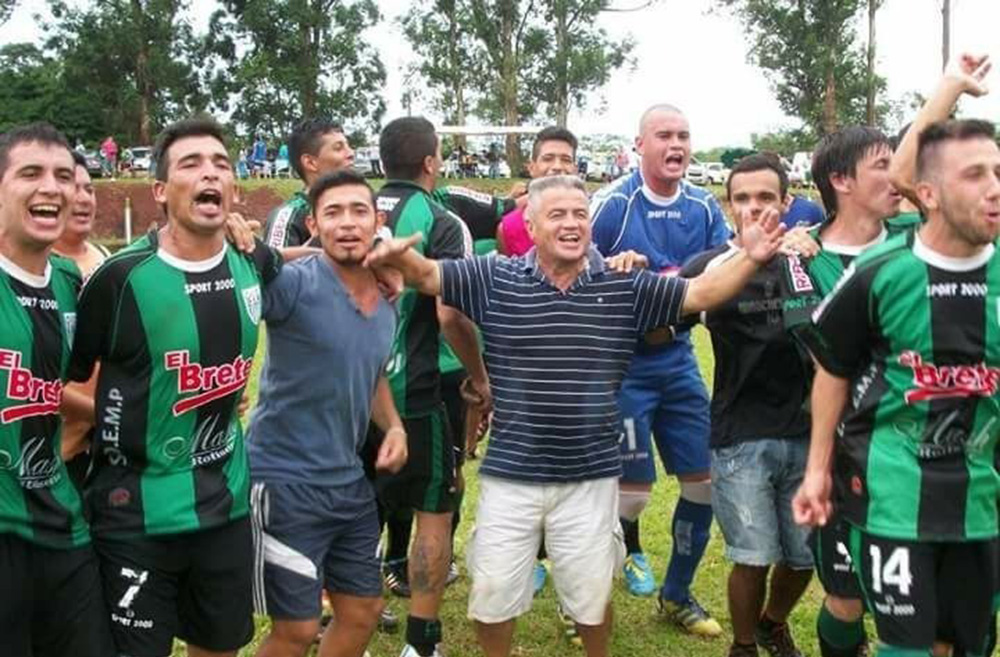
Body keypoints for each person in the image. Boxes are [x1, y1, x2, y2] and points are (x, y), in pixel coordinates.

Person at [364, 173, 785, 657]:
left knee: (590, 596)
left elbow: (702, 293)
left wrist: (749, 255)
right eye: (557, 214)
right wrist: (395, 251)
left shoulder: (625, 286)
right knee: (494, 596)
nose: (571, 224)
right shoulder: (495, 276)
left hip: (591, 475)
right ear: (532, 223)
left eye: (579, 214)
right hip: (511, 475)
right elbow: (428, 277)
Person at [68, 116, 285, 657]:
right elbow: (66, 379)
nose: (209, 173)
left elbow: (299, 266)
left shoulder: (251, 259)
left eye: (221, 164)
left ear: (233, 189)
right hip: (132, 514)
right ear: (161, 191)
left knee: (219, 647)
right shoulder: (119, 279)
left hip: (225, 507)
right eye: (191, 164)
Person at [793, 118, 1000, 657]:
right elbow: (832, 367)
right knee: (898, 641)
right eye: (974, 175)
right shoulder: (879, 273)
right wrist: (817, 470)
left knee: (967, 645)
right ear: (925, 192)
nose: (994, 188)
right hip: (891, 495)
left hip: (981, 501)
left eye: (998, 172)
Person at [247, 170, 408, 657]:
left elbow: (372, 372)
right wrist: (293, 253)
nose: (346, 223)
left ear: (377, 220)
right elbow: (244, 280)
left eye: (358, 211)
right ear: (314, 224)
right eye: (332, 213)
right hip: (283, 481)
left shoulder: (387, 302)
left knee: (362, 610)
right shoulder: (293, 285)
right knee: (295, 630)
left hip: (347, 483)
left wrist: (394, 425)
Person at [590, 103, 731, 635]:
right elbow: (577, 269)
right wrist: (615, 271)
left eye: (684, 137)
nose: (676, 146)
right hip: (625, 364)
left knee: (704, 485)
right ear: (640, 145)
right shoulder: (613, 204)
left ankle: (677, 593)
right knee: (633, 494)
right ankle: (582, 576)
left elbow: (722, 263)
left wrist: (670, 275)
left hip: (679, 359)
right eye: (665, 136)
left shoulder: (702, 206)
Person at [779, 125, 908, 657]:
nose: (897, 175)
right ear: (840, 180)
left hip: (924, 447)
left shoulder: (920, 238)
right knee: (845, 594)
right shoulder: (802, 258)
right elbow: (825, 351)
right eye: (883, 165)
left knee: (924, 602)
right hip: (846, 450)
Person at [681, 154, 814, 657]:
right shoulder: (710, 266)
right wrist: (633, 267)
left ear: (786, 201)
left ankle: (771, 623)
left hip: (807, 431)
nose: (754, 207)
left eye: (765, 197)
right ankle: (742, 646)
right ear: (728, 205)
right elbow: (659, 322)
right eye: (742, 198)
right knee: (753, 555)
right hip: (740, 433)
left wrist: (815, 250)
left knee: (804, 557)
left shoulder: (807, 258)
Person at [374, 116, 489, 657]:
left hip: (348, 396)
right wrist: (480, 376)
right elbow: (450, 313)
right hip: (413, 393)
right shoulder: (441, 221)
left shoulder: (345, 211)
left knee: (351, 511)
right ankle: (421, 641)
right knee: (434, 511)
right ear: (430, 162)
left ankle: (339, 620)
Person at [0, 122, 116, 657]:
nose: (52, 187)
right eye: (31, 173)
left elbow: (47, 387)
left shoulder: (74, 287)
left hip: (61, 521)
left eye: (63, 176)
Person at [52, 151, 111, 489]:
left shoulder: (104, 260)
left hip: (96, 451)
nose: (83, 198)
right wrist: (108, 415)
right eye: (72, 187)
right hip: (47, 455)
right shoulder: (29, 269)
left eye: (89, 189)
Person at [265, 119, 356, 248]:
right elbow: (275, 266)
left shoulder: (361, 209)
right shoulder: (288, 218)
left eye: (349, 146)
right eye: (338, 148)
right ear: (310, 163)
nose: (351, 154)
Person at [498, 126, 578, 258]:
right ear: (531, 167)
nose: (557, 167)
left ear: (574, 169)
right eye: (548, 158)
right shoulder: (508, 227)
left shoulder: (593, 218)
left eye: (566, 160)